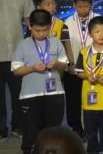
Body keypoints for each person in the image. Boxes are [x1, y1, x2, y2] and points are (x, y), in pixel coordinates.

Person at [12, 9, 68, 154]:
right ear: (30, 26)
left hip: (55, 93)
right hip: (30, 95)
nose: (42, 34)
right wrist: (32, 68)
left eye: (45, 30)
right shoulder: (23, 45)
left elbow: (64, 67)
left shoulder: (56, 42)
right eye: (38, 30)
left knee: (53, 131)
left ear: (50, 27)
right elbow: (16, 70)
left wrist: (56, 64)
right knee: (30, 131)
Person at [74, 16, 103, 154]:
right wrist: (87, 76)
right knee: (90, 129)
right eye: (97, 31)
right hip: (89, 102)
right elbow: (79, 72)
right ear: (90, 34)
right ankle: (92, 149)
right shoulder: (84, 52)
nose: (101, 35)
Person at [0, 0, 34, 138]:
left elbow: (30, 21)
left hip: (16, 55)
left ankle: (17, 126)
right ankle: (1, 130)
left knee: (19, 94)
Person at [64, 0, 100, 137]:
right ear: (74, 4)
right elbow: (66, 44)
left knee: (92, 100)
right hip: (73, 70)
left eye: (86, 6)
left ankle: (91, 129)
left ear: (91, 5)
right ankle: (76, 129)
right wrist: (71, 64)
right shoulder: (67, 22)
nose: (83, 9)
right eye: (80, 6)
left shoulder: (98, 20)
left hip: (94, 69)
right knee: (73, 101)